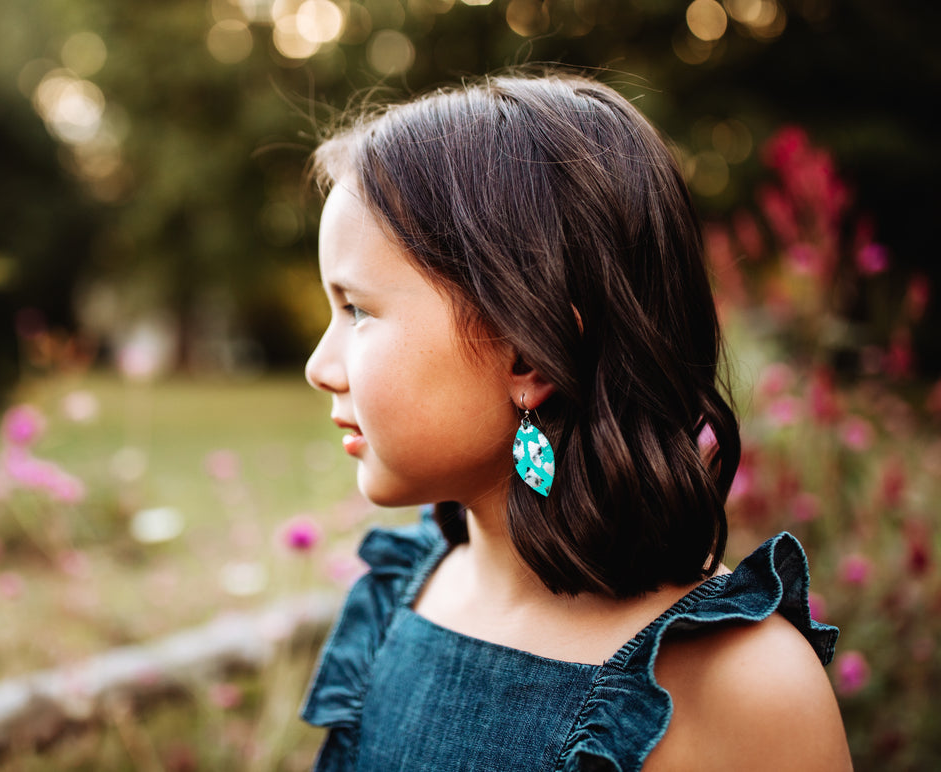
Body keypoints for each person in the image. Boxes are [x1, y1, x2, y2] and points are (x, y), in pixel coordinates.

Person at [300, 70, 852, 771]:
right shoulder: (399, 597)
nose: (320, 364)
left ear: (531, 356)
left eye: (357, 310)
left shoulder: (738, 682)